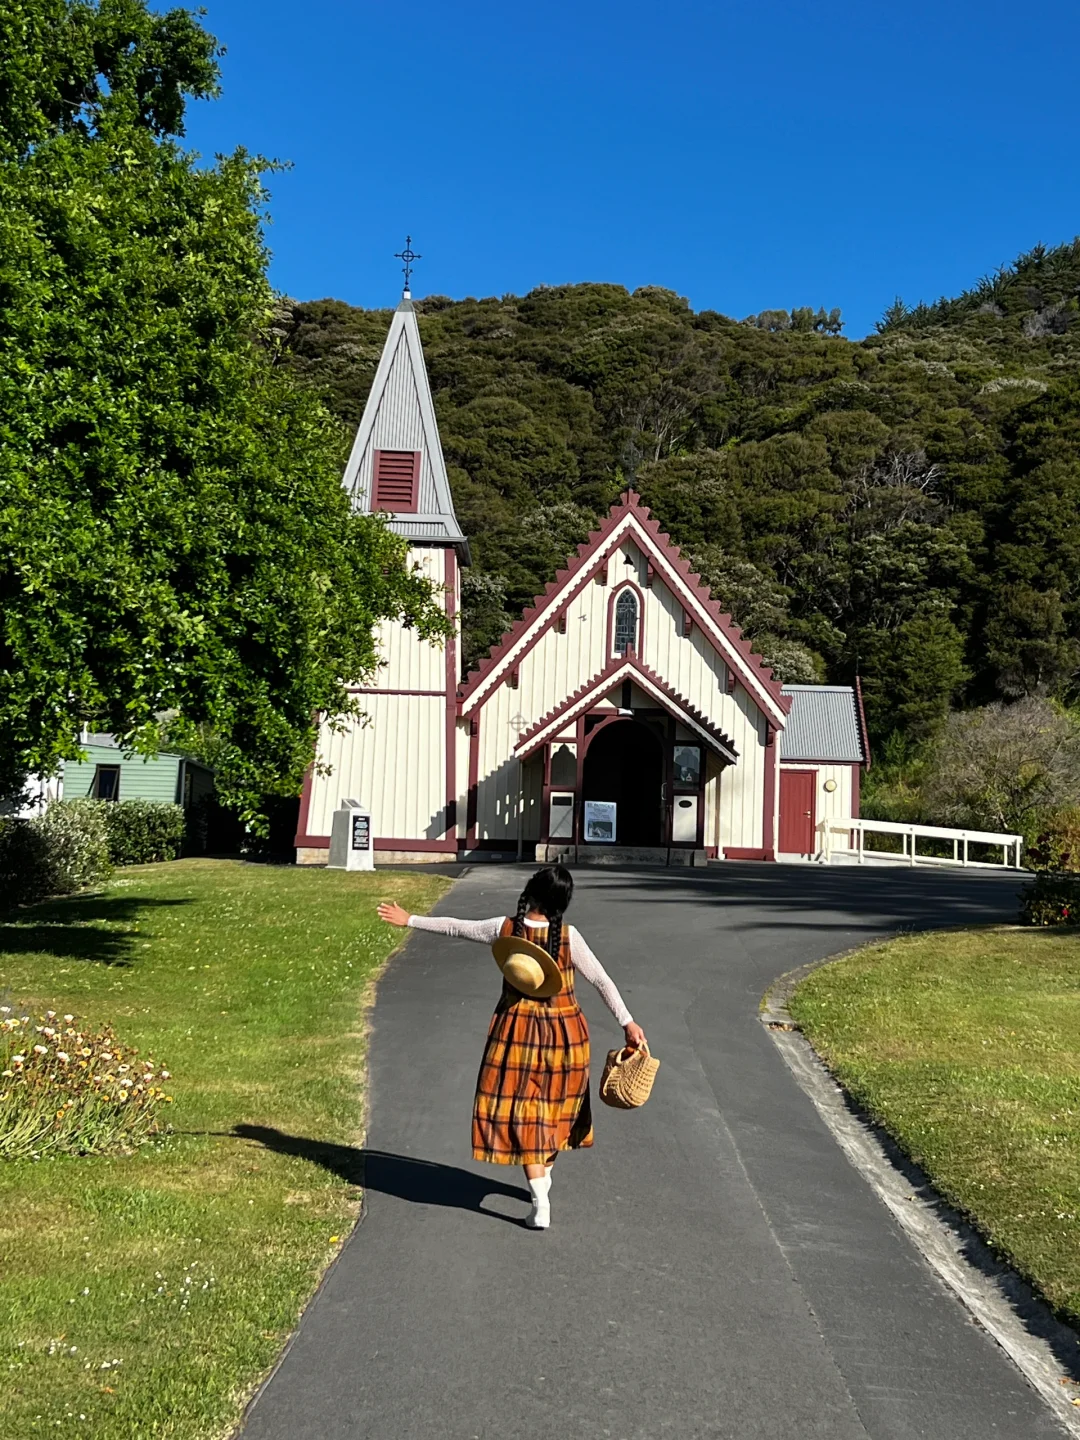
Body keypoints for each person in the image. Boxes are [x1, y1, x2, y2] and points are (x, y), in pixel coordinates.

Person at [377, 865, 646, 1230]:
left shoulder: (504, 929)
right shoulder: (569, 936)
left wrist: (411, 920)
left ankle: (539, 1195)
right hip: (567, 1038)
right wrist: (627, 1021)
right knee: (553, 1113)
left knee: (523, 1115)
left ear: (530, 892)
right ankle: (541, 1184)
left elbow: (457, 926)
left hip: (515, 1037)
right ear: (561, 902)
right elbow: (600, 979)